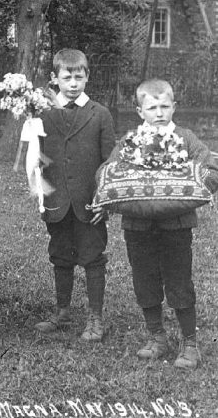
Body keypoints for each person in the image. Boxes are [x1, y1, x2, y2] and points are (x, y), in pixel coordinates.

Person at [108, 79, 218, 369]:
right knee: (144, 279)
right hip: (138, 226)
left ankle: (190, 342)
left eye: (164, 106)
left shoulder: (186, 138)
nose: (159, 113)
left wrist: (195, 183)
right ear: (139, 110)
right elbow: (109, 172)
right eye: (152, 107)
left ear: (174, 107)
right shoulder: (130, 141)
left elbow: (210, 168)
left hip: (175, 226)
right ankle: (157, 336)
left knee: (179, 280)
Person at [33, 49, 116, 342]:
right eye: (66, 77)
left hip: (89, 202)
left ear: (87, 78)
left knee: (93, 257)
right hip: (57, 201)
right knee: (60, 255)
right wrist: (42, 193)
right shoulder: (42, 112)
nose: (73, 83)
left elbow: (109, 161)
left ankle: (95, 317)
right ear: (54, 79)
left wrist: (104, 199)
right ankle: (63, 311)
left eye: (78, 77)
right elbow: (36, 157)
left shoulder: (100, 114)